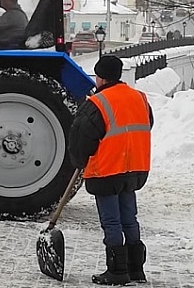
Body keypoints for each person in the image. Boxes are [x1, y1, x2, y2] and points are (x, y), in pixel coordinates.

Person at [68, 55, 153, 285]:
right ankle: (136, 269)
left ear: (100, 77)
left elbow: (81, 138)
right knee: (129, 218)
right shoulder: (140, 98)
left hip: (107, 169)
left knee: (112, 222)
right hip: (134, 167)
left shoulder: (97, 103)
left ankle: (116, 271)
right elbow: (146, 124)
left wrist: (79, 161)